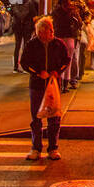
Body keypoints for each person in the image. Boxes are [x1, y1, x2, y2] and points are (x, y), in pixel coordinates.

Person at [19, 16, 68, 160]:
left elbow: (66, 60)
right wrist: (38, 73)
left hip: (53, 85)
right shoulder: (32, 45)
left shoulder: (58, 44)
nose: (51, 33)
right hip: (37, 85)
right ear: (40, 32)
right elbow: (24, 63)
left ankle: (53, 148)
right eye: (47, 30)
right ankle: (36, 148)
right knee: (36, 117)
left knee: (54, 116)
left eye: (51, 30)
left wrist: (57, 71)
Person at [50, 0, 83, 93]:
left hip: (59, 36)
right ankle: (66, 83)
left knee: (59, 60)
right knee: (68, 60)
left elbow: (52, 20)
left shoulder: (56, 9)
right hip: (70, 37)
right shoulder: (73, 9)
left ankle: (60, 83)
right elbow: (79, 22)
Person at [10, 0, 39, 73]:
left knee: (17, 46)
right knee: (26, 46)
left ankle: (15, 67)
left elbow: (12, 14)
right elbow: (34, 15)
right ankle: (25, 66)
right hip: (27, 27)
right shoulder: (30, 3)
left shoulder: (15, 3)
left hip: (17, 27)